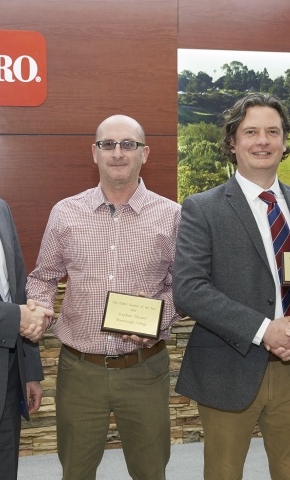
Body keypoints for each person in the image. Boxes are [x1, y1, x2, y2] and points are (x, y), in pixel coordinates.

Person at [172, 93, 290, 480]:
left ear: (284, 141)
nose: (263, 141)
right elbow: (189, 288)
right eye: (251, 132)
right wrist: (264, 330)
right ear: (233, 142)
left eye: (272, 132)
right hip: (230, 366)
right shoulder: (202, 207)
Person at [26, 114, 181, 480]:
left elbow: (186, 285)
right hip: (81, 371)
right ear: (94, 153)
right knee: (76, 471)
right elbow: (43, 278)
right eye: (107, 144)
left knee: (150, 471)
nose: (117, 153)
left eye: (128, 144)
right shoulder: (65, 213)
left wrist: (160, 318)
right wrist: (40, 307)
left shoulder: (172, 215)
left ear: (145, 153)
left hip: (144, 367)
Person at [0, 111, 53, 480]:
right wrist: (15, 318)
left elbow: (18, 291)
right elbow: (15, 313)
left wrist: (30, 372)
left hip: (2, 388)